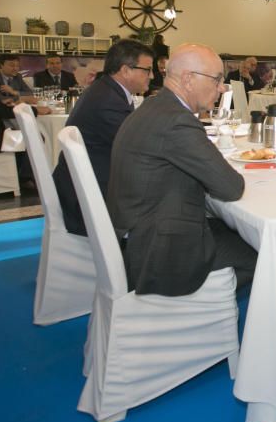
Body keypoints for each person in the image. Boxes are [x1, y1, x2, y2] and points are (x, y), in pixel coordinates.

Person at [107, 43, 257, 297]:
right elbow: (231, 187)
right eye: (217, 79)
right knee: (265, 249)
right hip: (157, 251)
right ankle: (207, 316)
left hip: (137, 230)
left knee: (229, 226)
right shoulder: (177, 120)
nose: (222, 88)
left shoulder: (156, 106)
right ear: (188, 79)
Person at [53, 39, 154, 237]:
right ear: (125, 70)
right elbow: (140, 148)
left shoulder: (107, 90)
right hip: (90, 199)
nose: (152, 76)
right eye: (147, 70)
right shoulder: (108, 100)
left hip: (86, 184)